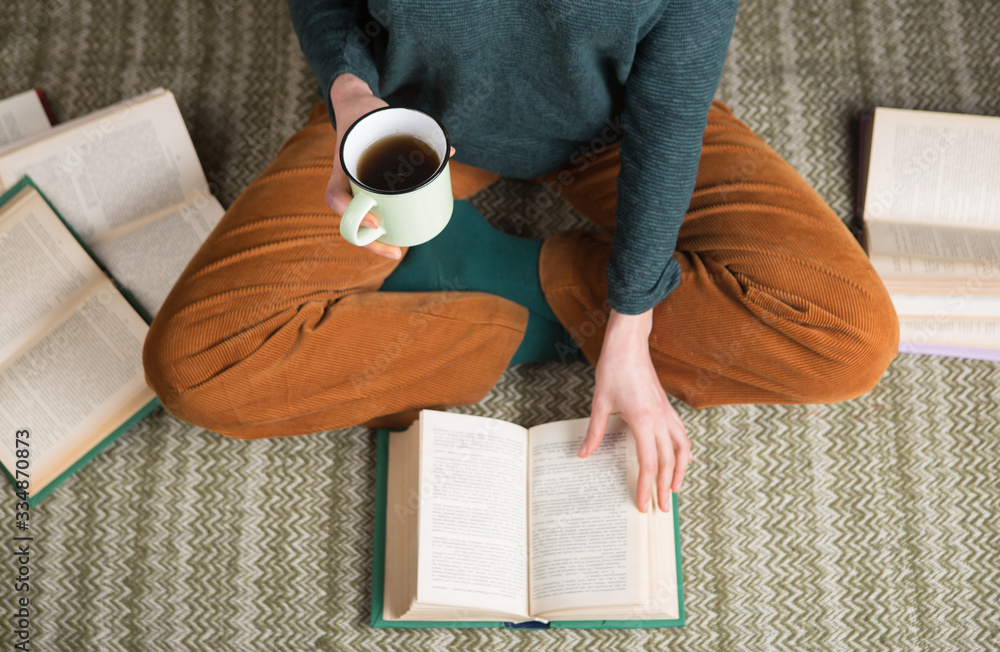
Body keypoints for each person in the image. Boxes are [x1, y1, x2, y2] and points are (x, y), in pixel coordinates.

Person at [142, 0, 899, 514]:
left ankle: (516, 284)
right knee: (198, 366)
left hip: (617, 131)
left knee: (850, 335)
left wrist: (630, 323)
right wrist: (349, 91)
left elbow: (670, 121)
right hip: (407, 121)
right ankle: (529, 307)